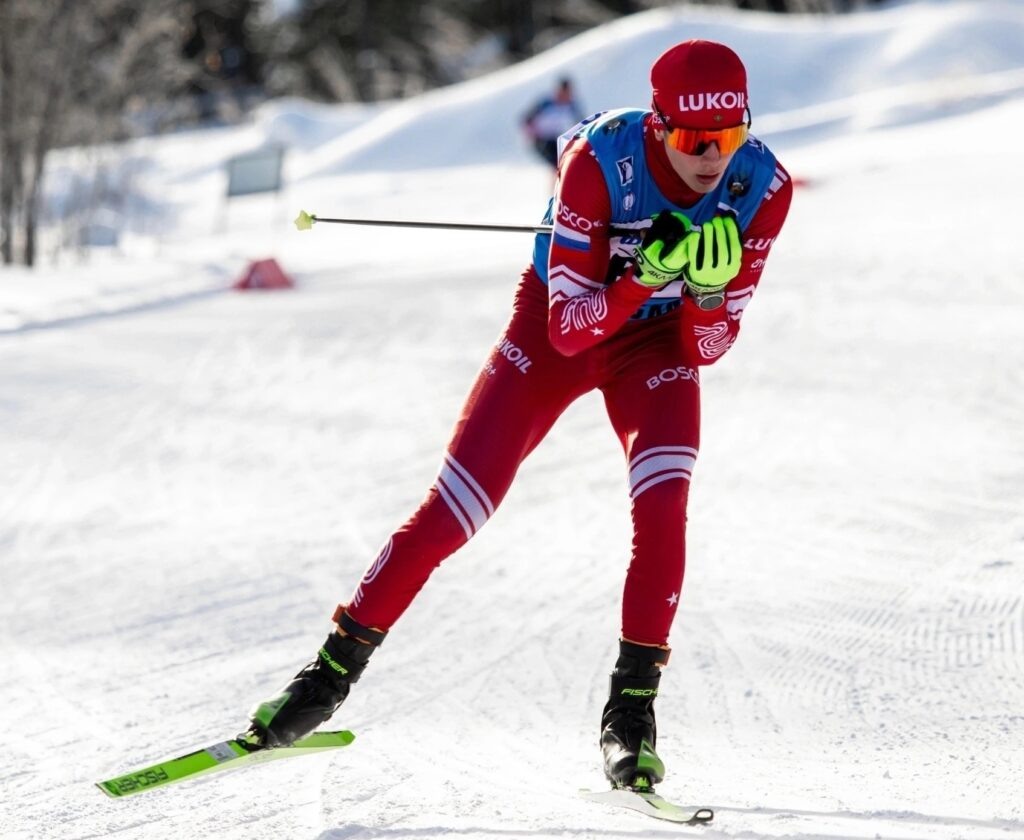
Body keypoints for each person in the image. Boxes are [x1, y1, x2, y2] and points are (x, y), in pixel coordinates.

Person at [244, 39, 793, 792]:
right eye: (695, 140)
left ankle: (630, 716)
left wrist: (701, 295)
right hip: (557, 328)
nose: (712, 158)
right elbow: (569, 327)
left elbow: (708, 347)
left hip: (655, 347)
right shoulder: (600, 162)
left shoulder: (761, 186)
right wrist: (641, 279)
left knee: (665, 504)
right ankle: (324, 680)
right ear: (661, 127)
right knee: (455, 510)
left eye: (727, 138)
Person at [522, 77, 584, 168]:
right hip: (542, 140)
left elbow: (580, 123)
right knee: (558, 163)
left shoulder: (571, 105)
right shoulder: (547, 103)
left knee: (565, 161)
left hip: (556, 138)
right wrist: (532, 135)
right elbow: (527, 119)